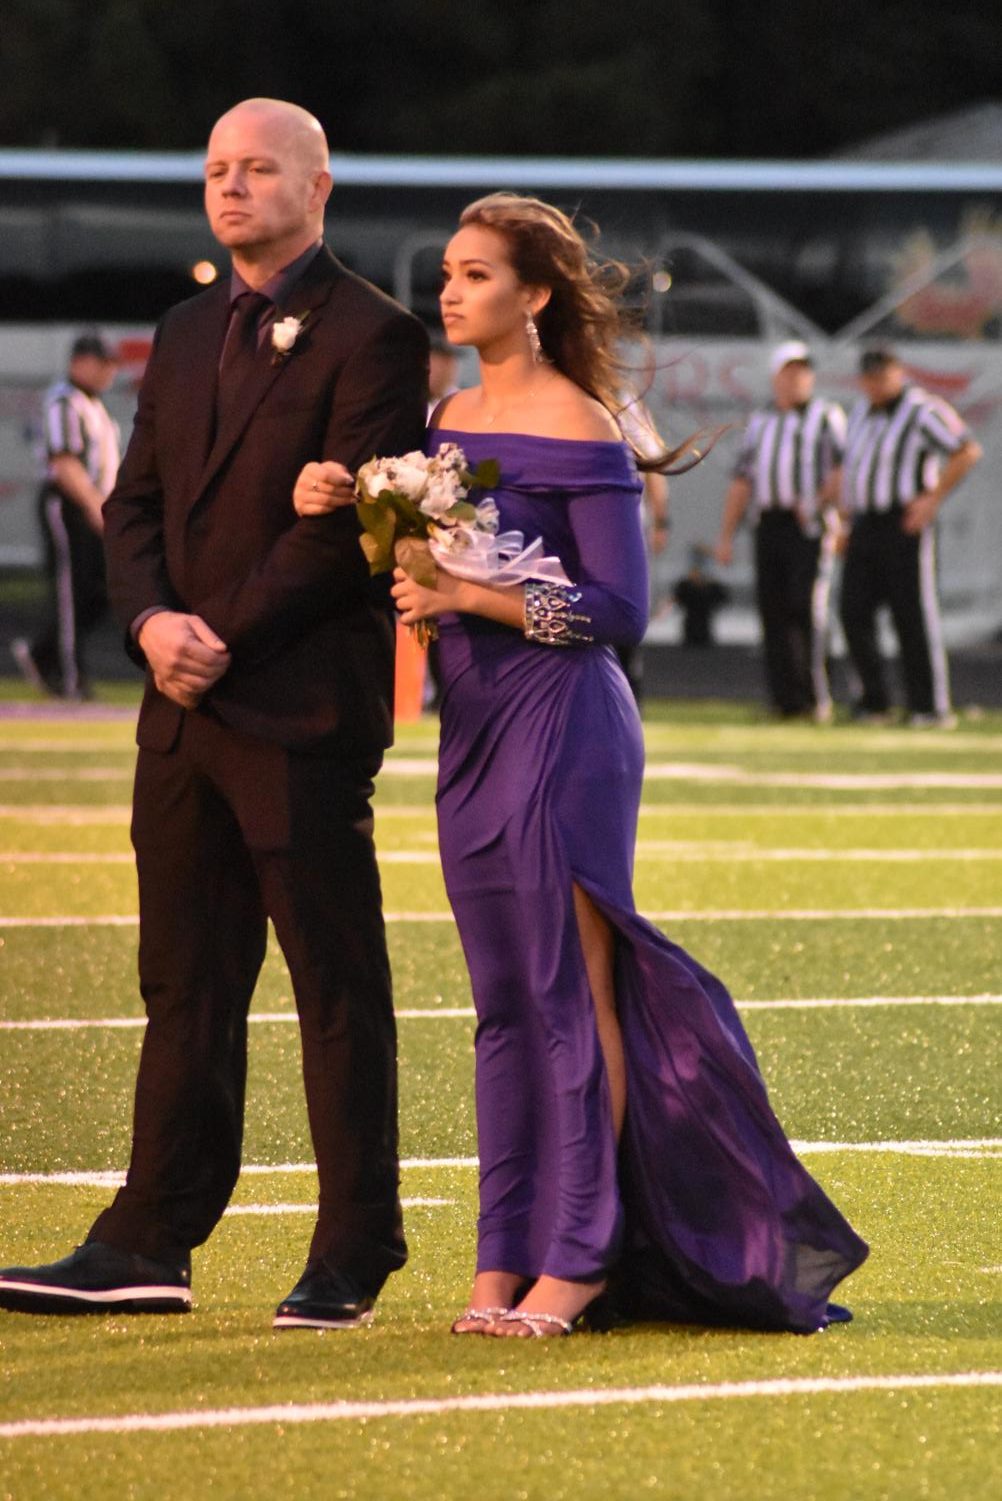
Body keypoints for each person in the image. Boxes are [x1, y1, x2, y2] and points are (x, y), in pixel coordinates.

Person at [296, 193, 868, 1339]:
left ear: (537, 294)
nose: (450, 292)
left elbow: (621, 610)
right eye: (447, 273)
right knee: (502, 1006)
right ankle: (499, 1260)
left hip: (568, 726)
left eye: (477, 275)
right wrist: (358, 515)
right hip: (473, 727)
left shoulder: (583, 421)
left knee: (570, 992)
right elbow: (429, 566)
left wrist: (469, 595)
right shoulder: (443, 411)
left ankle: (582, 1256)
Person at [0, 99, 428, 1329]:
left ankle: (355, 1245)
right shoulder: (186, 326)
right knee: (183, 981)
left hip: (294, 707)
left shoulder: (377, 335)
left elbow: (351, 531)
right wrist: (146, 626)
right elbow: (132, 508)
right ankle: (149, 1238)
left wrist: (218, 635)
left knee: (334, 987)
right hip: (182, 715)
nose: (230, 189)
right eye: (214, 172)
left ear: (318, 184)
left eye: (256, 170)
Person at [838, 346, 982, 728]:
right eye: (869, 377)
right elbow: (853, 474)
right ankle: (875, 702)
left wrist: (931, 500)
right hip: (865, 524)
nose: (876, 384)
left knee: (912, 615)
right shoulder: (859, 414)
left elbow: (966, 450)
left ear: (898, 374)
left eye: (882, 375)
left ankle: (929, 706)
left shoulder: (922, 410)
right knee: (853, 612)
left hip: (903, 523)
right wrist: (843, 520)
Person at [714, 341, 845, 721]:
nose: (797, 379)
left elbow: (840, 471)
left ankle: (814, 697)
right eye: (789, 372)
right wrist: (726, 535)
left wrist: (822, 507)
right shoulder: (760, 422)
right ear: (775, 377)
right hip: (768, 522)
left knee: (806, 608)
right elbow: (742, 481)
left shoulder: (825, 415)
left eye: (803, 372)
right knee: (773, 610)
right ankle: (784, 699)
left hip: (808, 524)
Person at [10, 333, 120, 700]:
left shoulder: (95, 406)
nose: (109, 372)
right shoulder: (64, 401)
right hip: (70, 504)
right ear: (81, 362)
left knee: (99, 593)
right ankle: (72, 676)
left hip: (93, 505)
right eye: (103, 363)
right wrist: (94, 507)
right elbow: (64, 461)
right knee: (72, 591)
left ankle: (43, 653)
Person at [673, 544, 729, 647]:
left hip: (706, 634)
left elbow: (723, 598)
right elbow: (678, 598)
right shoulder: (685, 586)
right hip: (689, 635)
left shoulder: (712, 586)